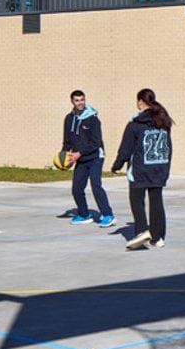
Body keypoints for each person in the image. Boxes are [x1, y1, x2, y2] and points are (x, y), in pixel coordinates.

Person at [111, 88, 172, 250]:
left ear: (140, 102)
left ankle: (142, 231)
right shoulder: (164, 122)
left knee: (137, 201)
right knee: (156, 202)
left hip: (140, 169)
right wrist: (166, 167)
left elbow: (126, 149)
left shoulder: (135, 125)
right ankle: (158, 237)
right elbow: (168, 148)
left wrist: (117, 165)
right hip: (159, 167)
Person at [62, 90, 115, 227]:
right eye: (77, 100)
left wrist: (79, 153)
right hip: (81, 158)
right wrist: (64, 156)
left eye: (82, 100)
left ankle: (108, 215)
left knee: (95, 185)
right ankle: (84, 214)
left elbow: (96, 142)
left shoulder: (93, 119)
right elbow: (67, 141)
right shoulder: (69, 119)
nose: (80, 103)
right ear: (72, 102)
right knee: (77, 188)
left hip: (95, 156)